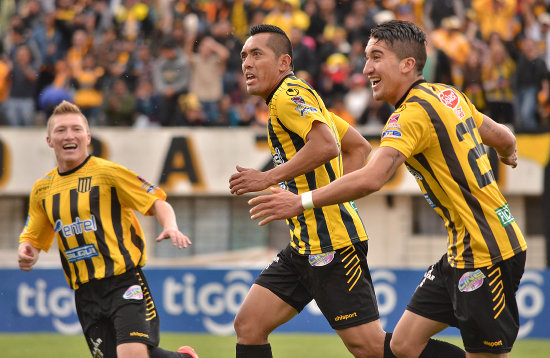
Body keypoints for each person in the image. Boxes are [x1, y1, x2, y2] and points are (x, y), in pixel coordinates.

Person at [248, 20, 527, 358]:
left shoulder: (408, 117)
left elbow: (371, 178)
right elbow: (504, 137)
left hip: (488, 251)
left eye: (377, 58)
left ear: (408, 65)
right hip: (463, 248)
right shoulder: (447, 95)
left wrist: (302, 201)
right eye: (367, 58)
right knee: (403, 345)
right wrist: (507, 152)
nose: (367, 68)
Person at [231, 23, 391, 358]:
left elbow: (326, 146)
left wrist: (266, 178)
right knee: (249, 325)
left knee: (372, 348)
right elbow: (358, 147)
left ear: (284, 63)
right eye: (244, 55)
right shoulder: (298, 98)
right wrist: (327, 198)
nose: (247, 62)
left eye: (257, 54)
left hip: (333, 244)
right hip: (304, 245)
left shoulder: (289, 97)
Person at [17, 100, 199, 358]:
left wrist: (170, 226)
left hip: (123, 282)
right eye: (61, 130)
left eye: (76, 129)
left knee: (131, 355)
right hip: (85, 294)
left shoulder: (108, 173)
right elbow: (33, 237)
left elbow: (157, 201)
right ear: (49, 140)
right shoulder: (43, 189)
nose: (69, 135)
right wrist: (27, 251)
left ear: (88, 137)